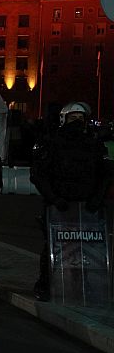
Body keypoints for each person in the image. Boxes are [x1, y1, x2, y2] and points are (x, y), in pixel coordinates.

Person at [31, 102, 112, 301]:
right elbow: (39, 174)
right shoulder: (52, 142)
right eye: (73, 118)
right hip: (60, 206)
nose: (77, 122)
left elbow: (105, 174)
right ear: (63, 119)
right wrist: (54, 199)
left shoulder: (93, 144)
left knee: (90, 251)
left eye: (80, 118)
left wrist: (97, 199)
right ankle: (48, 284)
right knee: (54, 247)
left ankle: (87, 287)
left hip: (87, 208)